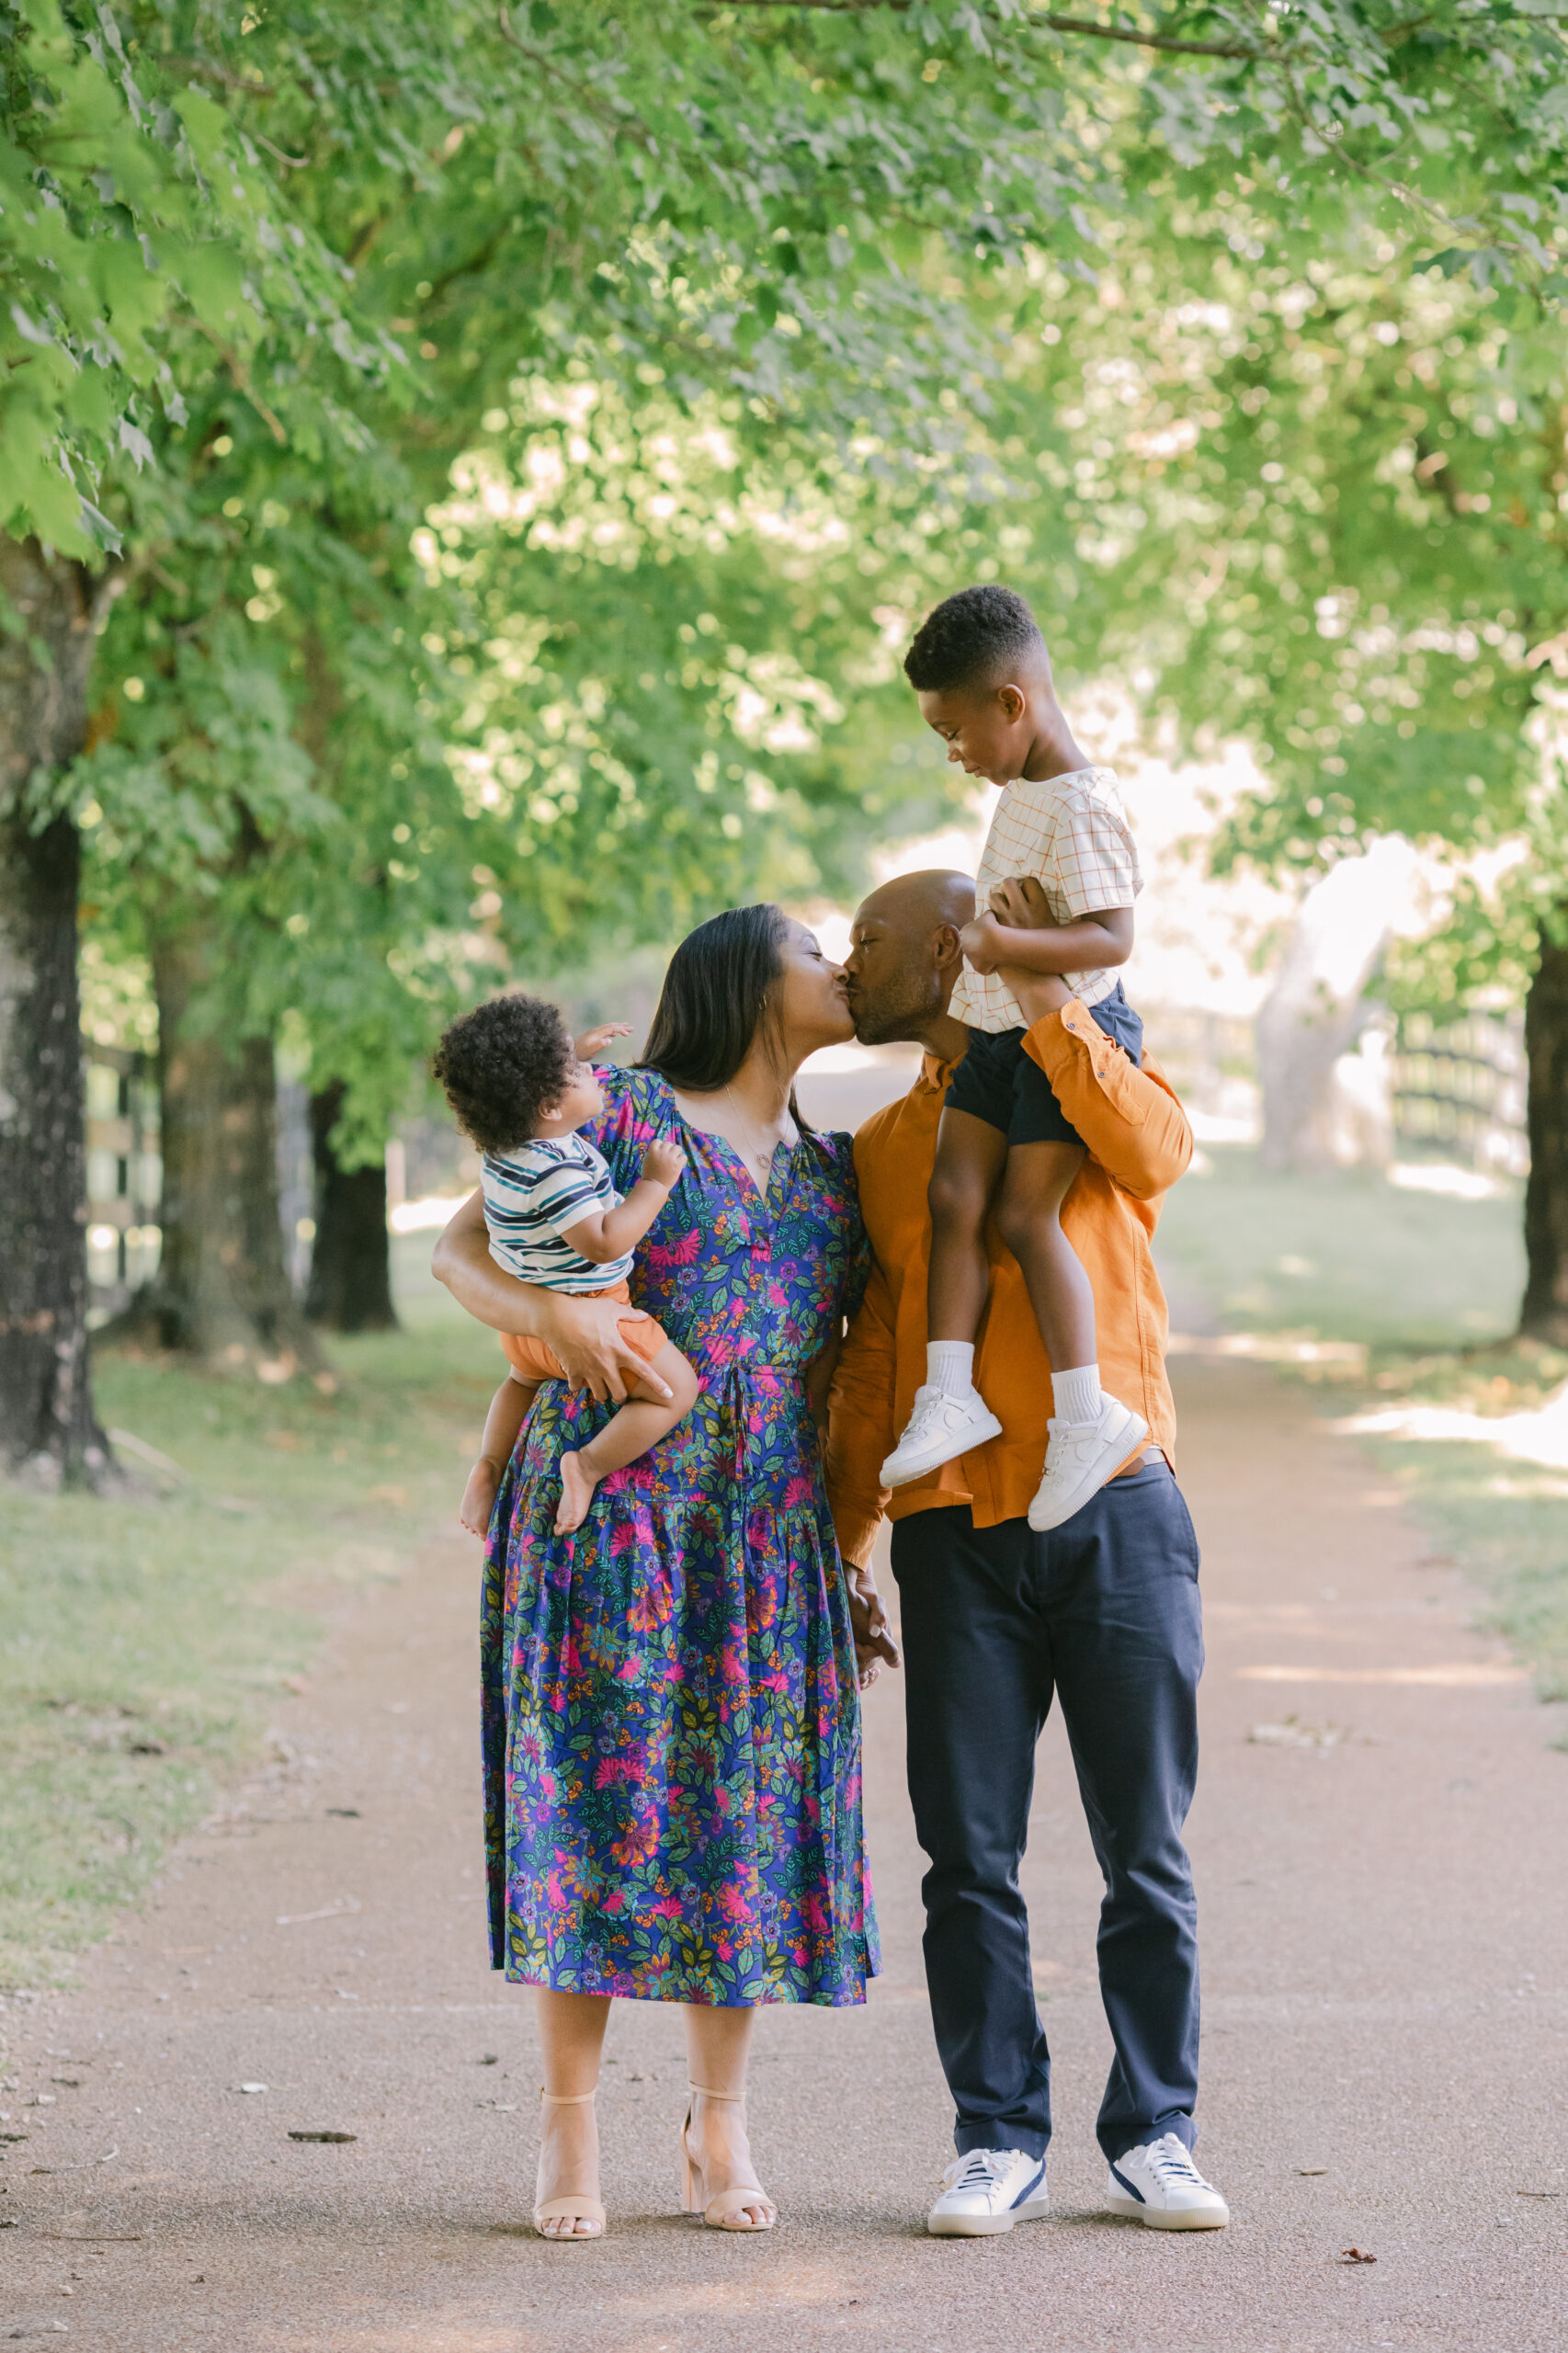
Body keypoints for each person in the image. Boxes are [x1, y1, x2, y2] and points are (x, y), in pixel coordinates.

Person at [430, 906, 885, 2243]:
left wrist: (848, 1553)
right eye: (815, 949)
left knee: (729, 1824)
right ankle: (567, 2129)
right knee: (589, 1810)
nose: (841, 964)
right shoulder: (619, 1117)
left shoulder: (833, 1168)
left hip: (760, 1532)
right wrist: (552, 1314)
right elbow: (459, 1250)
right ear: (750, 986)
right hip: (608, 1516)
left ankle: (716, 2123)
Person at [828, 867, 1230, 2238]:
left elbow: (1163, 1157)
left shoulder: (1091, 1064)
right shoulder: (881, 1144)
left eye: (869, 943)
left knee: (1145, 1851)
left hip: (1114, 1505)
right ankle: (995, 2135)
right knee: (966, 1858)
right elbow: (874, 1349)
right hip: (955, 1535)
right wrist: (845, 1542)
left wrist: (1047, 999)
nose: (847, 961)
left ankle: (1156, 2130)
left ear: (948, 953)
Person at [879, 586, 1149, 1533]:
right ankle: (947, 1393)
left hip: (1064, 1038)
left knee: (1025, 1214)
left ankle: (1088, 1415)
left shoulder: (1081, 799)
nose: (953, 753)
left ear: (1010, 703)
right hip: (996, 1036)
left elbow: (1111, 940)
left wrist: (1003, 950)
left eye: (954, 731)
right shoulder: (1026, 788)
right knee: (952, 1197)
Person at [432, 995, 698, 1537]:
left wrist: (573, 1054)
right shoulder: (558, 1173)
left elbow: (535, 1091)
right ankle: (590, 1465)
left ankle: (489, 1465)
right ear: (549, 1105)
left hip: (526, 1334)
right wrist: (653, 1183)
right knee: (678, 1391)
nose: (592, 1072)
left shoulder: (507, 1150)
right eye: (576, 1069)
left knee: (518, 1385)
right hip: (594, 1319)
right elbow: (602, 1241)